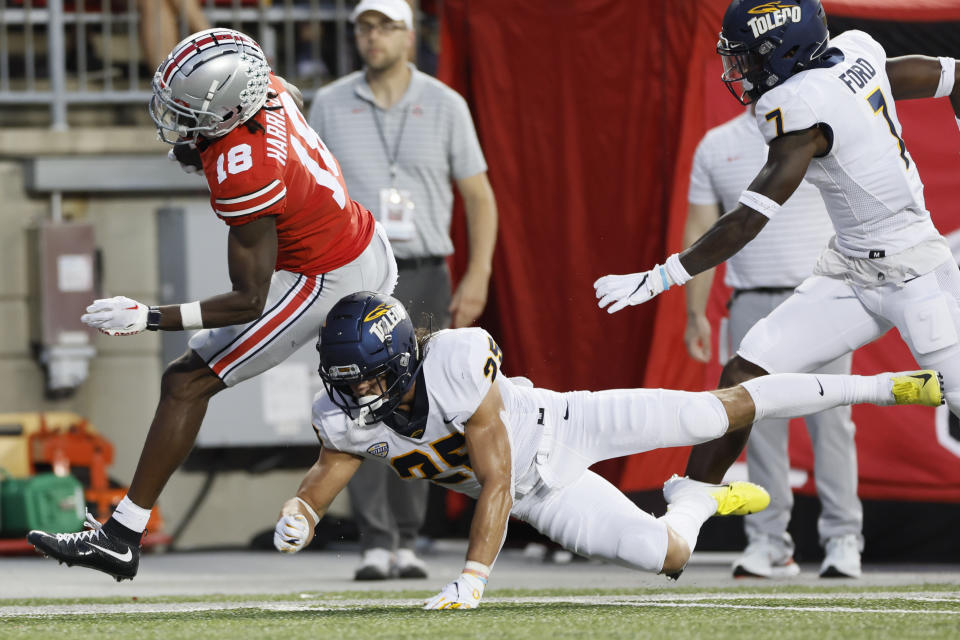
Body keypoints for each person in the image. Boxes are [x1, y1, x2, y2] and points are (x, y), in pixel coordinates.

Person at [272, 291, 942, 609]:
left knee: (710, 411)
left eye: (363, 376)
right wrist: (302, 510)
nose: (353, 392)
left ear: (397, 361)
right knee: (666, 554)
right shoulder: (348, 414)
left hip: (570, 422)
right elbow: (333, 461)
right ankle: (698, 499)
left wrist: (473, 576)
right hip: (543, 500)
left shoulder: (452, 360)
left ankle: (881, 384)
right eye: (344, 380)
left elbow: (495, 479)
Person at [26, 28, 397, 582]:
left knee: (188, 380)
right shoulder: (265, 88)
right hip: (359, 235)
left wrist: (150, 316)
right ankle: (122, 533)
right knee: (379, 393)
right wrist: (204, 142)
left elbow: (247, 301)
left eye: (190, 108)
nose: (177, 117)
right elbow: (286, 99)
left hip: (330, 277)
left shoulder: (245, 173)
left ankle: (121, 538)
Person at [593, 0, 960, 536]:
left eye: (746, 59)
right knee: (745, 373)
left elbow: (745, 221)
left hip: (915, 274)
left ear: (782, 51)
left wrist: (664, 276)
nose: (738, 73)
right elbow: (952, 72)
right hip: (853, 271)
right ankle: (686, 515)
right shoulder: (855, 52)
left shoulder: (799, 105)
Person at [307, 0, 498, 580]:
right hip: (356, 270)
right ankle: (374, 539)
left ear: (410, 36)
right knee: (356, 400)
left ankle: (410, 539)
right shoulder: (330, 102)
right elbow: (314, 194)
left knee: (424, 400)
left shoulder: (445, 103)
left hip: (423, 267)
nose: (373, 37)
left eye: (386, 26)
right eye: (364, 26)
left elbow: (479, 195)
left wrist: (479, 272)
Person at [684, 107, 863, 578]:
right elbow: (701, 230)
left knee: (832, 422)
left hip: (824, 297)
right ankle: (768, 543)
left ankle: (843, 539)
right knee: (757, 427)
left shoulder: (820, 130)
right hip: (750, 302)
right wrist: (693, 312)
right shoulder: (714, 145)